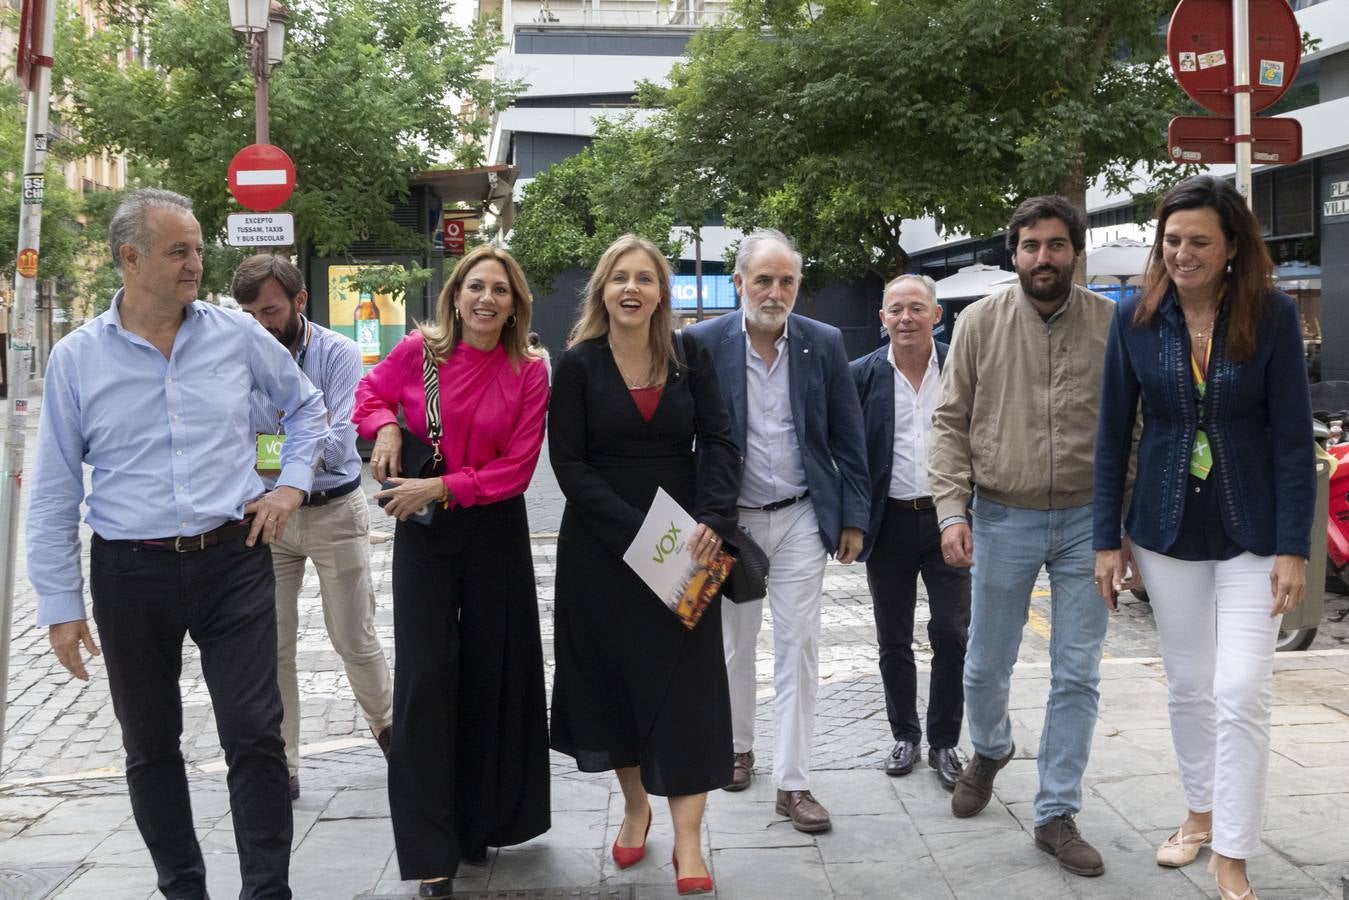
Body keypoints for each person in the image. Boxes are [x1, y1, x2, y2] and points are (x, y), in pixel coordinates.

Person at [26, 188, 329, 900]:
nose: (196, 264)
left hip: (233, 557)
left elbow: (306, 409)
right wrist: (61, 604)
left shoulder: (235, 334)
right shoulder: (77, 359)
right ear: (130, 259)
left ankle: (266, 892)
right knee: (151, 743)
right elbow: (55, 488)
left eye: (197, 248)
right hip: (130, 572)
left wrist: (288, 485)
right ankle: (181, 888)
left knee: (255, 732)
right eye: (179, 251)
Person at [1093, 175, 1314, 900]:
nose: (1181, 253)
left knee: (1242, 686)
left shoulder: (1270, 315)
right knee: (1189, 685)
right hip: (1162, 528)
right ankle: (1196, 815)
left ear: (1230, 249)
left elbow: (1289, 438)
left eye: (1198, 241)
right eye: (1172, 240)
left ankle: (1233, 850)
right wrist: (1106, 539)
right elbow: (1109, 438)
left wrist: (1292, 547)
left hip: (1251, 529)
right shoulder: (1134, 318)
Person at [352, 245, 550, 898]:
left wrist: (436, 489)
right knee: (425, 683)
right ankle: (429, 849)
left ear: (514, 303)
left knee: (492, 676)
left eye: (499, 289)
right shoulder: (420, 351)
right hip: (427, 536)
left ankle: (477, 822)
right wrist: (383, 427)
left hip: (490, 527)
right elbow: (368, 394)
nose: (486, 299)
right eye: (475, 287)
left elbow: (516, 471)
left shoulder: (529, 370)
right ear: (456, 296)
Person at [928, 196, 1115, 877]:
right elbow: (948, 422)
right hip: (1001, 516)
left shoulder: (1109, 322)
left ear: (1074, 252)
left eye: (1056, 244)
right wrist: (951, 511)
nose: (1044, 256)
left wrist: (1118, 528)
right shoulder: (978, 322)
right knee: (983, 665)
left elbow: (1133, 425)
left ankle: (1055, 814)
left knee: (1076, 673)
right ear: (1014, 253)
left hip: (1086, 523)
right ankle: (993, 746)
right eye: (1031, 244)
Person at [549, 234, 740, 895]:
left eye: (645, 278)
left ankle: (688, 842)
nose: (631, 288)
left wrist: (710, 519)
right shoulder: (576, 364)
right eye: (618, 277)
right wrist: (639, 533)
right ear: (601, 290)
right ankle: (636, 807)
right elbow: (568, 465)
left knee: (688, 693)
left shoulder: (691, 354)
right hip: (602, 550)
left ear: (663, 292)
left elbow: (717, 440)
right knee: (615, 687)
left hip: (685, 546)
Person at [685, 228, 869, 833]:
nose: (774, 291)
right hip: (729, 524)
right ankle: (739, 748)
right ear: (738, 282)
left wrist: (853, 516)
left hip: (798, 516)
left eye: (786, 280)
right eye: (762, 279)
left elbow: (848, 436)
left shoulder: (823, 342)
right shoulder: (701, 344)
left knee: (800, 645)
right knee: (734, 644)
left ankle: (794, 784)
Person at [234, 254, 394, 800]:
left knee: (354, 635)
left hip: (332, 510)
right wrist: (298, 442)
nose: (260, 323)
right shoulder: (237, 355)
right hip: (267, 517)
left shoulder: (339, 353)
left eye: (270, 310)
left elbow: (340, 441)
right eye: (250, 312)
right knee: (270, 646)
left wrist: (277, 452)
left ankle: (390, 731)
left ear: (300, 302)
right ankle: (285, 761)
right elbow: (238, 440)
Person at [850, 274, 970, 790]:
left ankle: (945, 741)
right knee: (892, 637)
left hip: (950, 519)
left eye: (917, 308)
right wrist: (849, 521)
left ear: (936, 315)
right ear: (882, 320)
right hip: (890, 521)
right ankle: (905, 734)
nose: (906, 318)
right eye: (895, 309)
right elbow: (847, 455)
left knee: (951, 633)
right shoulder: (860, 375)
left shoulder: (962, 368)